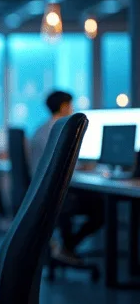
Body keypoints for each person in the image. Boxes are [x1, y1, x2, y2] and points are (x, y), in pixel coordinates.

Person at [29, 90, 103, 264]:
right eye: (71, 105)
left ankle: (66, 247)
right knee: (101, 208)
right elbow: (62, 165)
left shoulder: (42, 128)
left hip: (41, 192)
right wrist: (84, 168)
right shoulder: (60, 129)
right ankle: (68, 247)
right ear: (64, 106)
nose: (72, 109)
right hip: (54, 195)